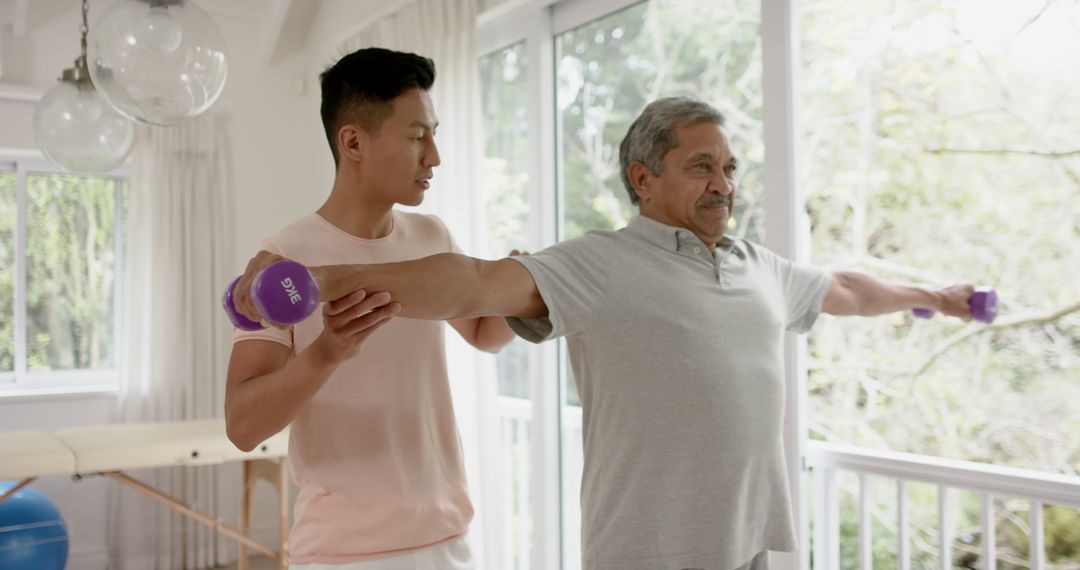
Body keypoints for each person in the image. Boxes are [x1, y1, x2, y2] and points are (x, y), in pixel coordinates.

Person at [233, 97, 976, 570]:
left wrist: (933, 298)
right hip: (646, 551)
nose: (723, 183)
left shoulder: (758, 267)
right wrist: (314, 283)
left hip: (747, 542)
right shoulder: (604, 262)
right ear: (643, 179)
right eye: (700, 166)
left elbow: (844, 288)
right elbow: (474, 282)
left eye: (728, 167)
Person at [224, 47, 516, 569]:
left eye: (434, 133)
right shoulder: (284, 262)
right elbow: (243, 426)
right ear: (353, 141)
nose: (435, 156)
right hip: (342, 551)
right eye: (416, 136)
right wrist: (325, 354)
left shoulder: (432, 237)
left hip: (445, 537)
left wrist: (515, 282)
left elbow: (485, 333)